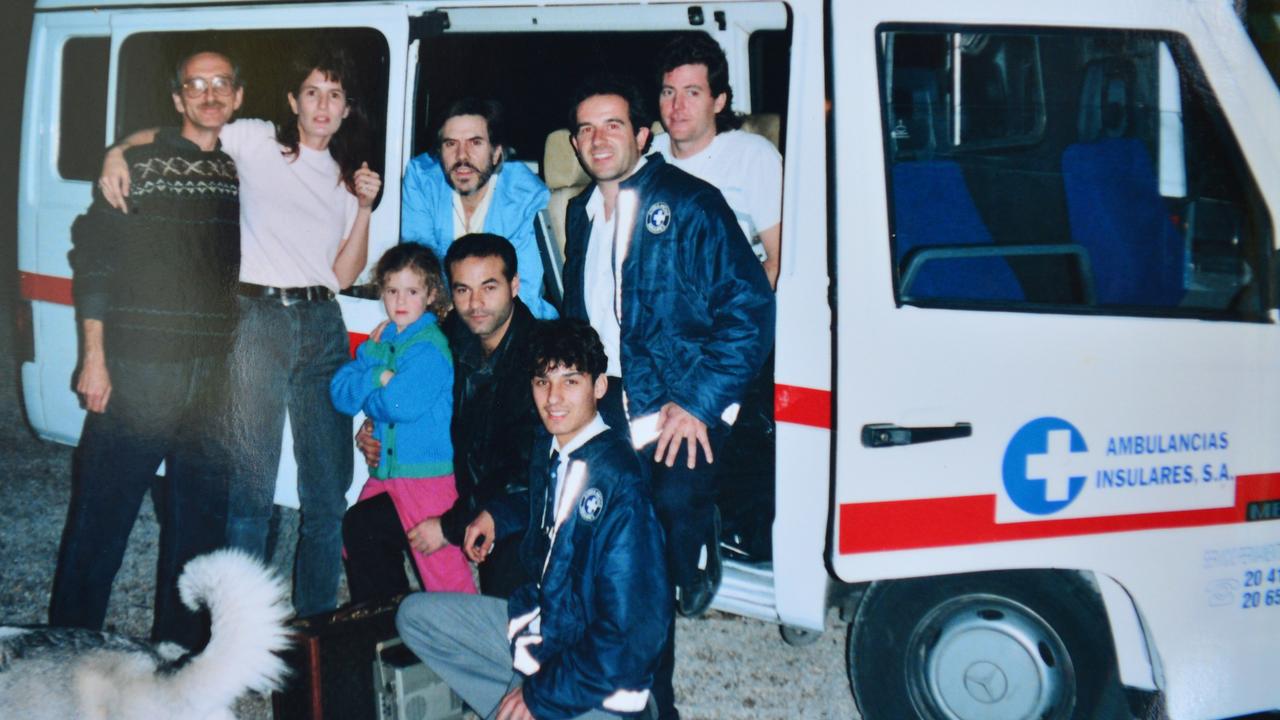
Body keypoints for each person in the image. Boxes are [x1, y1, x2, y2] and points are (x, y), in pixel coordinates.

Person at [100, 48, 383, 617]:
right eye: (312, 92)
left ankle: (316, 633)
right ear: (292, 101)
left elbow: (344, 275)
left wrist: (365, 208)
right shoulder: (256, 141)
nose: (322, 105)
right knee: (250, 490)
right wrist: (117, 152)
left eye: (335, 95)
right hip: (256, 321)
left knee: (327, 495)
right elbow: (187, 126)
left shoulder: (348, 178)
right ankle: (237, 627)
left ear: (348, 108)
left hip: (321, 324)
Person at [562, 75, 774, 719]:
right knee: (601, 551)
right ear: (575, 142)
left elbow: (750, 309)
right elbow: (581, 317)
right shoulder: (579, 212)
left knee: (645, 561)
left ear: (642, 135)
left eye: (614, 126)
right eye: (587, 129)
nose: (599, 140)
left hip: (674, 402)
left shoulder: (689, 204)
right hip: (606, 405)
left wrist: (702, 402)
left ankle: (658, 706)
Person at [50, 50, 242, 651]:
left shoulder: (238, 166)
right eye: (195, 86)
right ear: (179, 98)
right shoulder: (137, 163)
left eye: (220, 85)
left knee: (199, 527)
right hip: (140, 372)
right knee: (101, 520)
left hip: (212, 379)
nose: (209, 95)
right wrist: (95, 356)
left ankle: (178, 653)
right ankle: (67, 649)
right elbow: (94, 260)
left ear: (237, 97)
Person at [396, 319, 669, 720]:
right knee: (415, 618)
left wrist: (537, 696)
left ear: (598, 387)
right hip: (547, 628)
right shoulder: (553, 444)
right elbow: (548, 502)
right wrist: (497, 514)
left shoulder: (621, 485)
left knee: (530, 700)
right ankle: (517, 704)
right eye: (543, 382)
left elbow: (629, 638)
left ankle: (536, 705)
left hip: (601, 677)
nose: (553, 398)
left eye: (570, 381)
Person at [357, 233, 541, 599]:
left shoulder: (540, 357)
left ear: (515, 286)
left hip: (515, 502)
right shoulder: (447, 338)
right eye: (462, 290)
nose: (475, 303)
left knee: (501, 601)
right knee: (362, 524)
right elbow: (408, 398)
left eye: (489, 287)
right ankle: (388, 636)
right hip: (449, 485)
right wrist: (372, 429)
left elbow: (524, 472)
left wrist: (448, 526)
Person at [333, 244, 476, 602]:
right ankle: (388, 628)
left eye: (412, 291)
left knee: (443, 571)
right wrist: (380, 375)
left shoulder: (429, 347)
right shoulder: (382, 343)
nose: (400, 299)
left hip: (427, 478)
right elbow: (340, 394)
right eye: (392, 290)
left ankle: (470, 642)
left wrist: (372, 383)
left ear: (430, 294)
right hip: (388, 477)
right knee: (355, 535)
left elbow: (399, 403)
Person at [402, 98, 558, 319]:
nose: (462, 156)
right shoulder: (422, 180)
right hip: (442, 317)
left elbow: (523, 291)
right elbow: (421, 269)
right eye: (450, 144)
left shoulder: (525, 195)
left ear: (496, 153)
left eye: (475, 143)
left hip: (510, 323)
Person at [653, 34, 783, 288]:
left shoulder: (753, 157)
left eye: (692, 93)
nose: (677, 106)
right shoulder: (649, 157)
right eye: (669, 92)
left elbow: (779, 263)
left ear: (718, 101)